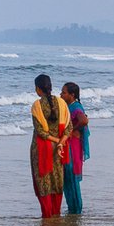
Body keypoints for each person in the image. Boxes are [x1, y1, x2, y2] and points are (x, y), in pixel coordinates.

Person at [31, 73, 71, 218]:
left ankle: (47, 217)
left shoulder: (37, 105)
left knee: (43, 182)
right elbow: (68, 128)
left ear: (38, 89)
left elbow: (41, 132)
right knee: (56, 181)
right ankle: (56, 215)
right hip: (60, 149)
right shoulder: (62, 103)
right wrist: (60, 142)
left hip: (42, 148)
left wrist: (54, 140)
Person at [60, 82, 90, 215]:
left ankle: (76, 210)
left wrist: (72, 130)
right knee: (68, 177)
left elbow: (84, 120)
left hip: (74, 145)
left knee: (72, 176)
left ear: (72, 95)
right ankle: (72, 209)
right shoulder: (68, 106)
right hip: (69, 144)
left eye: (64, 92)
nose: (61, 94)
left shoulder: (76, 107)